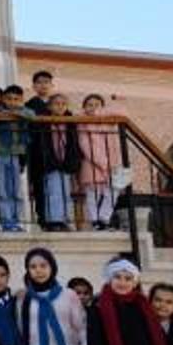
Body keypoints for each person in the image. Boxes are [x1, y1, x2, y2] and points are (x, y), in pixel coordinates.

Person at [0, 84, 32, 232]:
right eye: (9, 99)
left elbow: (31, 115)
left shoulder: (24, 111)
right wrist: (9, 113)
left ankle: (17, 220)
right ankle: (6, 221)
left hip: (16, 153)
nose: (12, 102)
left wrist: (16, 112)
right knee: (1, 188)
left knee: (15, 189)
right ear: (3, 99)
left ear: (21, 100)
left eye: (16, 99)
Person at [37, 94, 81, 231]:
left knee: (65, 193)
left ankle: (63, 219)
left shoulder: (70, 122)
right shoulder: (45, 121)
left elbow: (73, 144)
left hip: (65, 162)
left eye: (63, 104)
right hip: (51, 163)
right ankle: (54, 221)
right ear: (49, 106)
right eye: (56, 103)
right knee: (53, 192)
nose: (60, 106)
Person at [77, 94, 122, 230]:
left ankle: (104, 219)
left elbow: (124, 113)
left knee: (114, 191)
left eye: (97, 105)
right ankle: (95, 221)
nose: (93, 108)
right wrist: (103, 164)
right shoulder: (82, 122)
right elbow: (85, 146)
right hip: (93, 164)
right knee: (93, 194)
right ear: (84, 107)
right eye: (89, 105)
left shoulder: (109, 122)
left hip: (113, 163)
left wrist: (102, 111)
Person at [24, 70, 54, 227]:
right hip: (36, 150)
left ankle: (57, 218)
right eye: (40, 82)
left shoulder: (57, 104)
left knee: (55, 186)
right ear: (34, 86)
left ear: (51, 85)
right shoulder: (29, 105)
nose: (43, 85)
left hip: (55, 151)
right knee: (39, 186)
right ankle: (43, 219)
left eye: (46, 82)